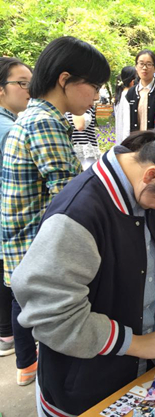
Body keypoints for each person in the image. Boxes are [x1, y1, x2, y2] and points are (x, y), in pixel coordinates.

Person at [11, 130, 155, 417]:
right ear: (151, 175)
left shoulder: (140, 193)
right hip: (85, 393)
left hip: (136, 379)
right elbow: (50, 317)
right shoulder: (79, 215)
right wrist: (136, 343)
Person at [1, 36, 110, 387]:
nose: (96, 96)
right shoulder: (45, 123)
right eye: (93, 85)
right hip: (35, 248)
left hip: (22, 248)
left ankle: (29, 366)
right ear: (65, 79)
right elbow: (70, 201)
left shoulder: (35, 116)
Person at [0, 57, 32, 358]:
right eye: (21, 83)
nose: (28, 90)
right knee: (18, 292)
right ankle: (25, 359)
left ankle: (7, 337)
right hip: (13, 225)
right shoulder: (9, 130)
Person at [124, 50, 155, 133]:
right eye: (141, 64)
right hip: (136, 141)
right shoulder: (131, 92)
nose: (144, 68)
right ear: (136, 66)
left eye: (149, 64)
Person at [114, 66, 137, 144]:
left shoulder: (119, 95)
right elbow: (127, 122)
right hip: (126, 141)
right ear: (132, 82)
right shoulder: (128, 96)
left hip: (120, 140)